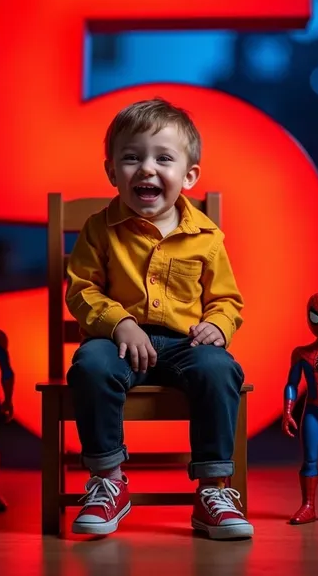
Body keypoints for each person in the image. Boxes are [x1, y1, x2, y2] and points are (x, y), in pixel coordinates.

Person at [66, 97, 253, 540]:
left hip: (185, 344)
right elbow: (81, 289)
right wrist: (119, 323)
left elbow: (228, 300)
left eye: (163, 159)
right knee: (90, 365)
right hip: (116, 342)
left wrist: (218, 325)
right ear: (112, 171)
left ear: (188, 176)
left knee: (219, 368)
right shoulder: (99, 229)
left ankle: (213, 491)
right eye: (131, 158)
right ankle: (109, 480)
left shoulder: (207, 238)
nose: (147, 169)